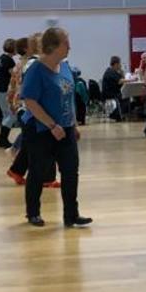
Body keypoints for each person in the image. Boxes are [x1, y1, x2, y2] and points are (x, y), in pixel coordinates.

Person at [20, 26, 91, 229]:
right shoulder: (36, 70)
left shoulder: (65, 67)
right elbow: (30, 101)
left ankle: (71, 215)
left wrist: (73, 124)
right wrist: (51, 124)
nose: (70, 47)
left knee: (71, 171)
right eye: (66, 43)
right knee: (38, 171)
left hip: (65, 128)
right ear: (53, 47)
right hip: (40, 129)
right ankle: (33, 212)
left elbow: (69, 99)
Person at [0, 39, 20, 147]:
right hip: (3, 89)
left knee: (6, 114)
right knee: (12, 115)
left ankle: (2, 138)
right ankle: (2, 138)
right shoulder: (9, 61)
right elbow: (14, 75)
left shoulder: (1, 58)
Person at [101, 55, 125, 122]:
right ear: (116, 64)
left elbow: (121, 79)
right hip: (110, 94)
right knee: (124, 97)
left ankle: (120, 113)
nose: (120, 65)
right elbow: (120, 81)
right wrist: (132, 80)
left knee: (125, 96)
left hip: (112, 92)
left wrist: (121, 72)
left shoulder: (113, 71)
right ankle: (118, 115)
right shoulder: (110, 72)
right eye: (119, 63)